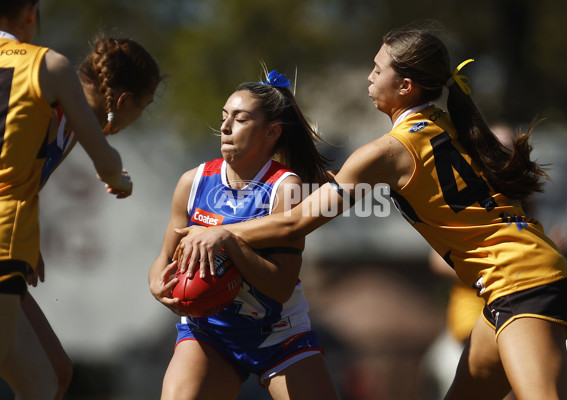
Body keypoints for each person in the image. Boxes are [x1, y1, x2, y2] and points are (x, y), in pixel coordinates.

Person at [174, 28, 567, 400]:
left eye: (377, 68)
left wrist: (224, 234)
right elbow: (335, 183)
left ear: (405, 86)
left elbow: (297, 221)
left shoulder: (388, 151)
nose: (369, 76)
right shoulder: (443, 124)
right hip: (515, 280)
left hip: (522, 282)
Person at [149, 69, 339, 400]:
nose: (224, 127)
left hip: (280, 334)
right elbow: (164, 259)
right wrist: (156, 283)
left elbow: (281, 286)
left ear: (271, 132)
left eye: (240, 119)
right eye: (224, 117)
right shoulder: (192, 182)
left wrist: (229, 241)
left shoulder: (285, 188)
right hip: (209, 333)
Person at [0, 1, 138, 398]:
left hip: (14, 239)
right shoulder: (45, 69)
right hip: (4, 236)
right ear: (30, 12)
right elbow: (108, 164)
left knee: (49, 377)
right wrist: (118, 178)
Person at [19, 36, 160, 400]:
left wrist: (28, 240)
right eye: (143, 107)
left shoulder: (72, 127)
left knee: (54, 372)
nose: (135, 119)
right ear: (124, 101)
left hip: (9, 247)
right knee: (45, 376)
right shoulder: (50, 108)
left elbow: (26, 185)